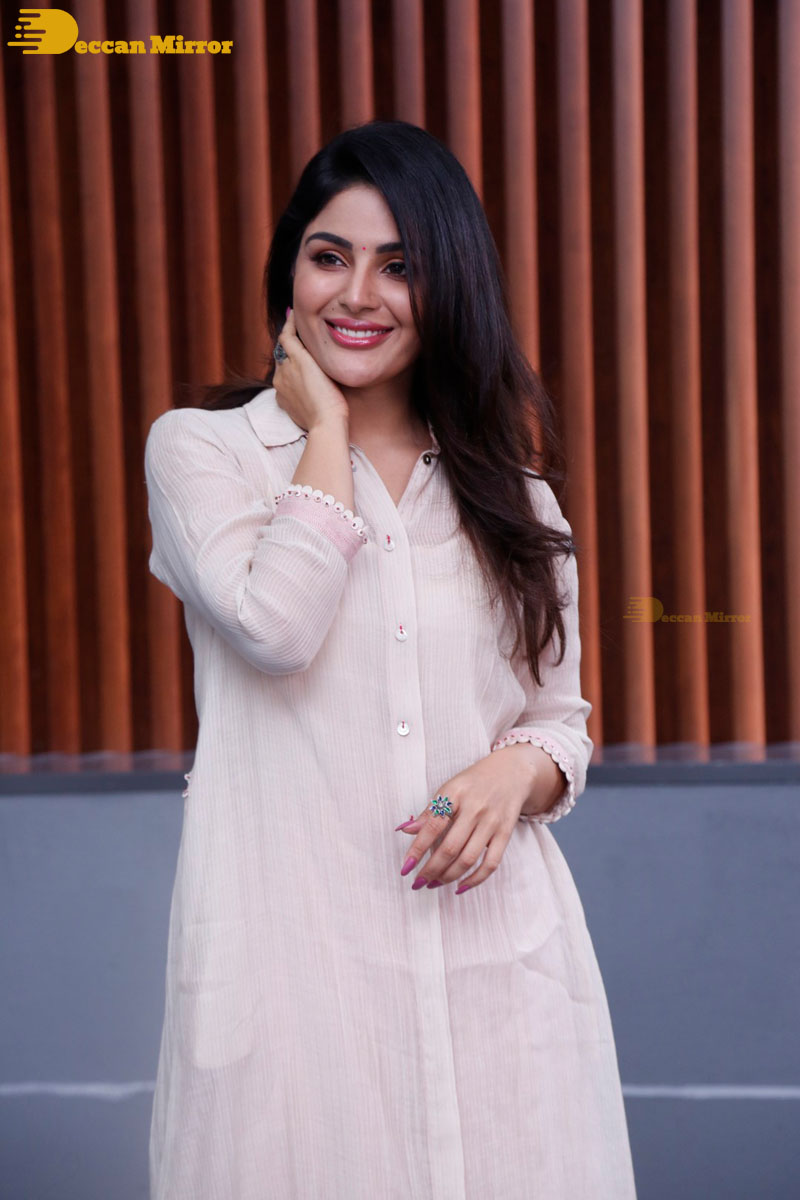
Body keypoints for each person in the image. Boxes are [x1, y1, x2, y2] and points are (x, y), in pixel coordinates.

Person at [144, 118, 637, 1199]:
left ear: (447, 284)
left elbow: (560, 722)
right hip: (296, 978)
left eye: (399, 266)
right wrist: (322, 433)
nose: (358, 295)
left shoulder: (512, 494)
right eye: (330, 257)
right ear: (290, 273)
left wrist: (512, 772)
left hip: (495, 964)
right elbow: (276, 629)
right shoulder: (203, 452)